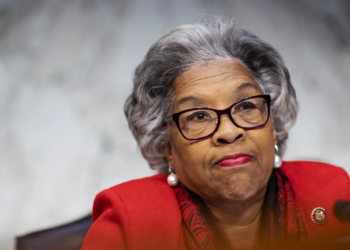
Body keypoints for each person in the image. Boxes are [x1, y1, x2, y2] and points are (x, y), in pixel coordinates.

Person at [81, 16, 350, 250]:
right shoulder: (131, 223)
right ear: (167, 148)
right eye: (198, 116)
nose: (229, 131)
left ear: (274, 127)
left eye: (246, 105)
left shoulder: (331, 194)